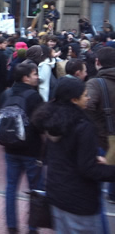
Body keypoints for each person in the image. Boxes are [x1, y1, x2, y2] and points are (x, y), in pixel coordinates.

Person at [32, 77, 115, 233]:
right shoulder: (83, 126)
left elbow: (61, 155)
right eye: (85, 95)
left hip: (56, 194)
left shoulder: (51, 120)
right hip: (80, 201)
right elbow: (88, 169)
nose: (88, 98)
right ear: (74, 99)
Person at [0, 62, 44, 234]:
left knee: (10, 187)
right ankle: (33, 227)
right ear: (26, 77)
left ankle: (12, 226)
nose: (37, 77)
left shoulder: (5, 94)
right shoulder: (34, 96)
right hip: (31, 149)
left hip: (10, 148)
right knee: (35, 189)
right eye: (34, 74)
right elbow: (41, 124)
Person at [85, 46, 115, 204]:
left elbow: (86, 106)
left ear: (97, 62)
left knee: (94, 185)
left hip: (102, 137)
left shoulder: (95, 84)